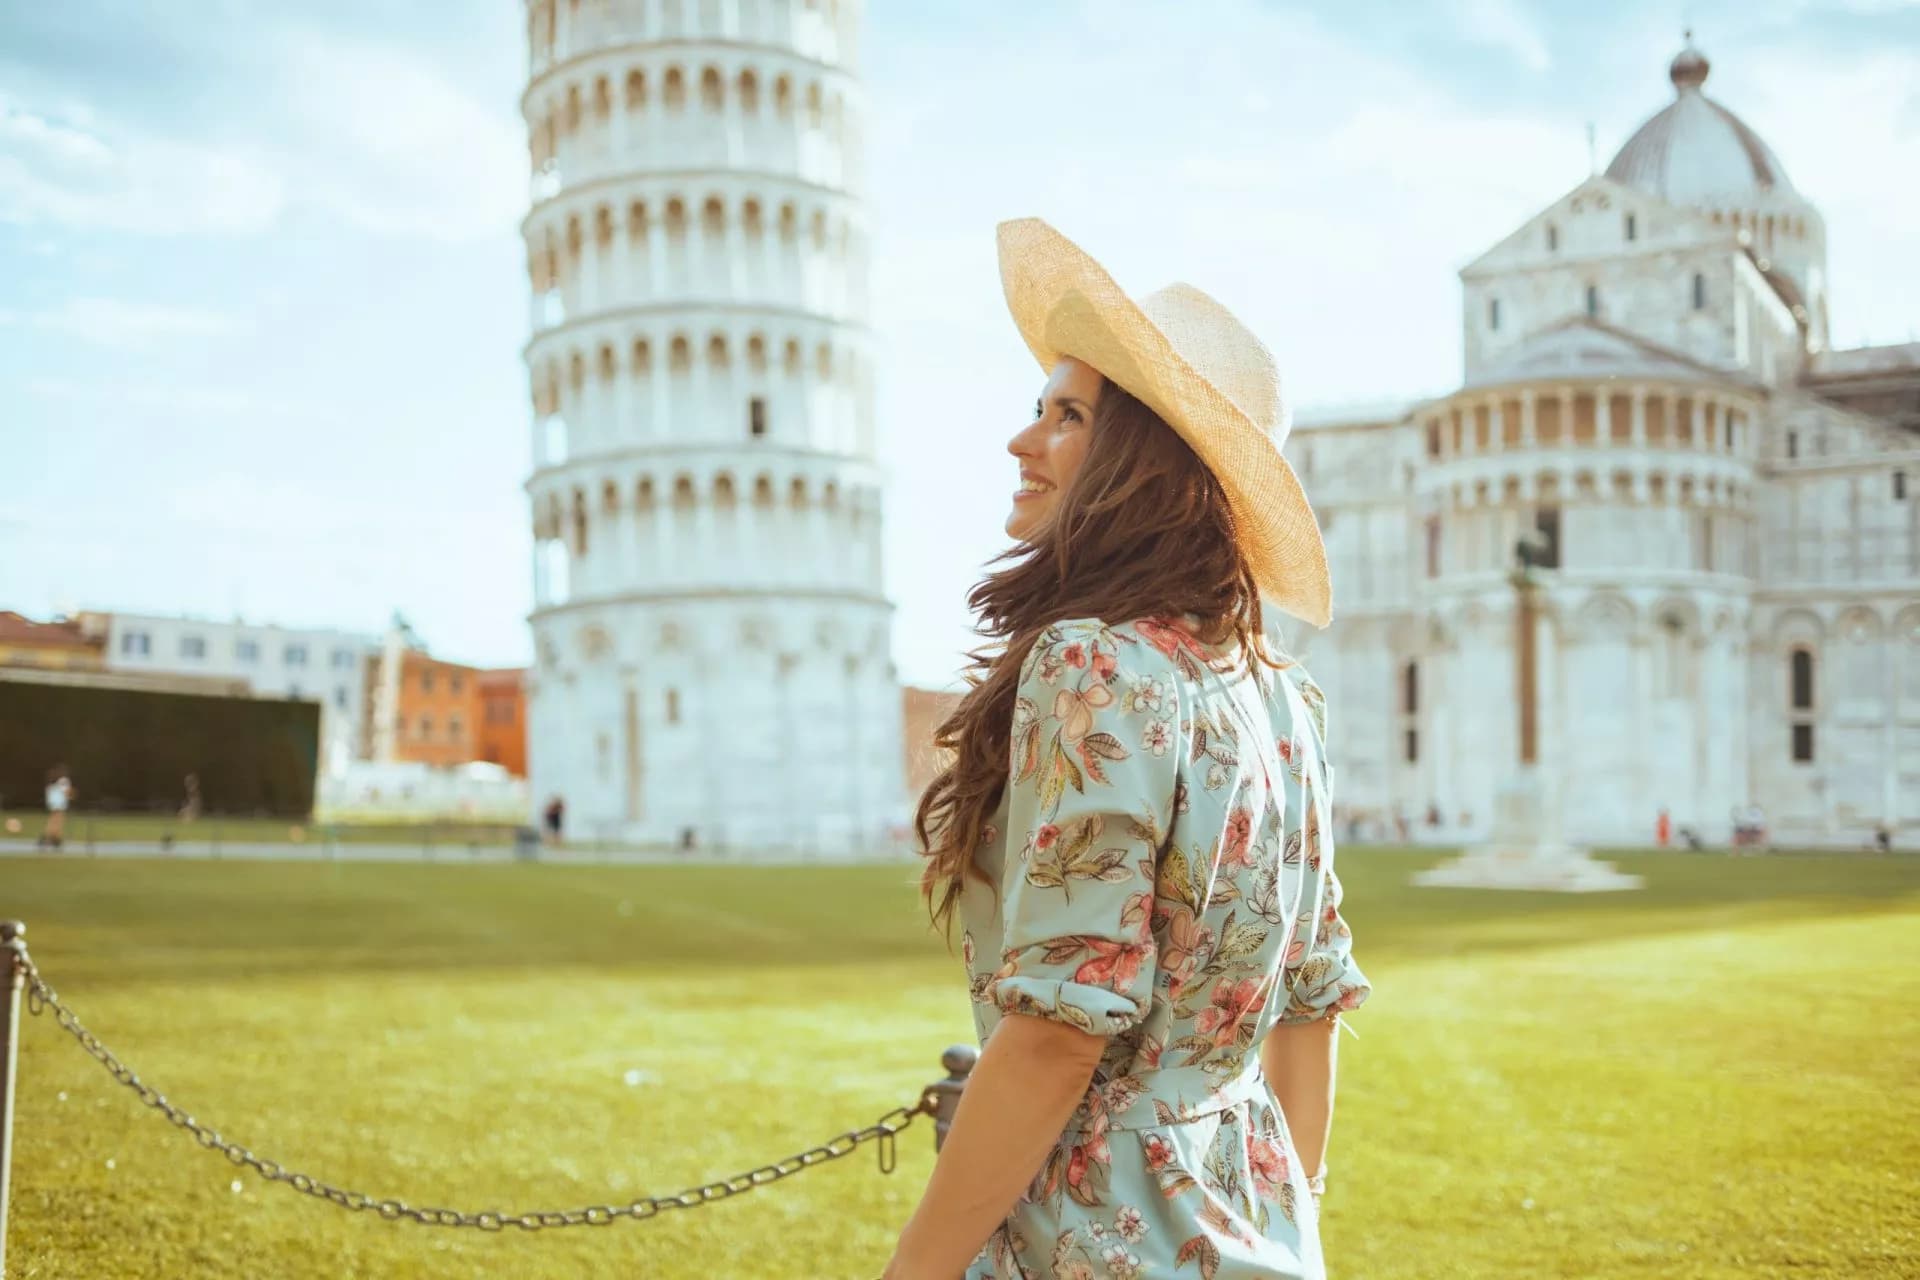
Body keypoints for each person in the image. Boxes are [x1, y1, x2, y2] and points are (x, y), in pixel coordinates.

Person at [887, 220, 1371, 1280]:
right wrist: (1290, 1217)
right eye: (1037, 408)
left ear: (1142, 462)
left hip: (1088, 1236)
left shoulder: (1093, 666)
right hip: (1257, 1222)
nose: (1024, 442)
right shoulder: (1287, 700)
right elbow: (1310, 1004)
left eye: (1068, 417)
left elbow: (1061, 1028)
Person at [38, 766, 74, 851]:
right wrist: (72, 795)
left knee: (53, 820)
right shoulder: (64, 780)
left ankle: (54, 838)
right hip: (59, 804)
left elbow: (49, 792)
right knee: (58, 821)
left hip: (53, 803)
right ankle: (51, 838)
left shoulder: (52, 782)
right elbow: (67, 791)